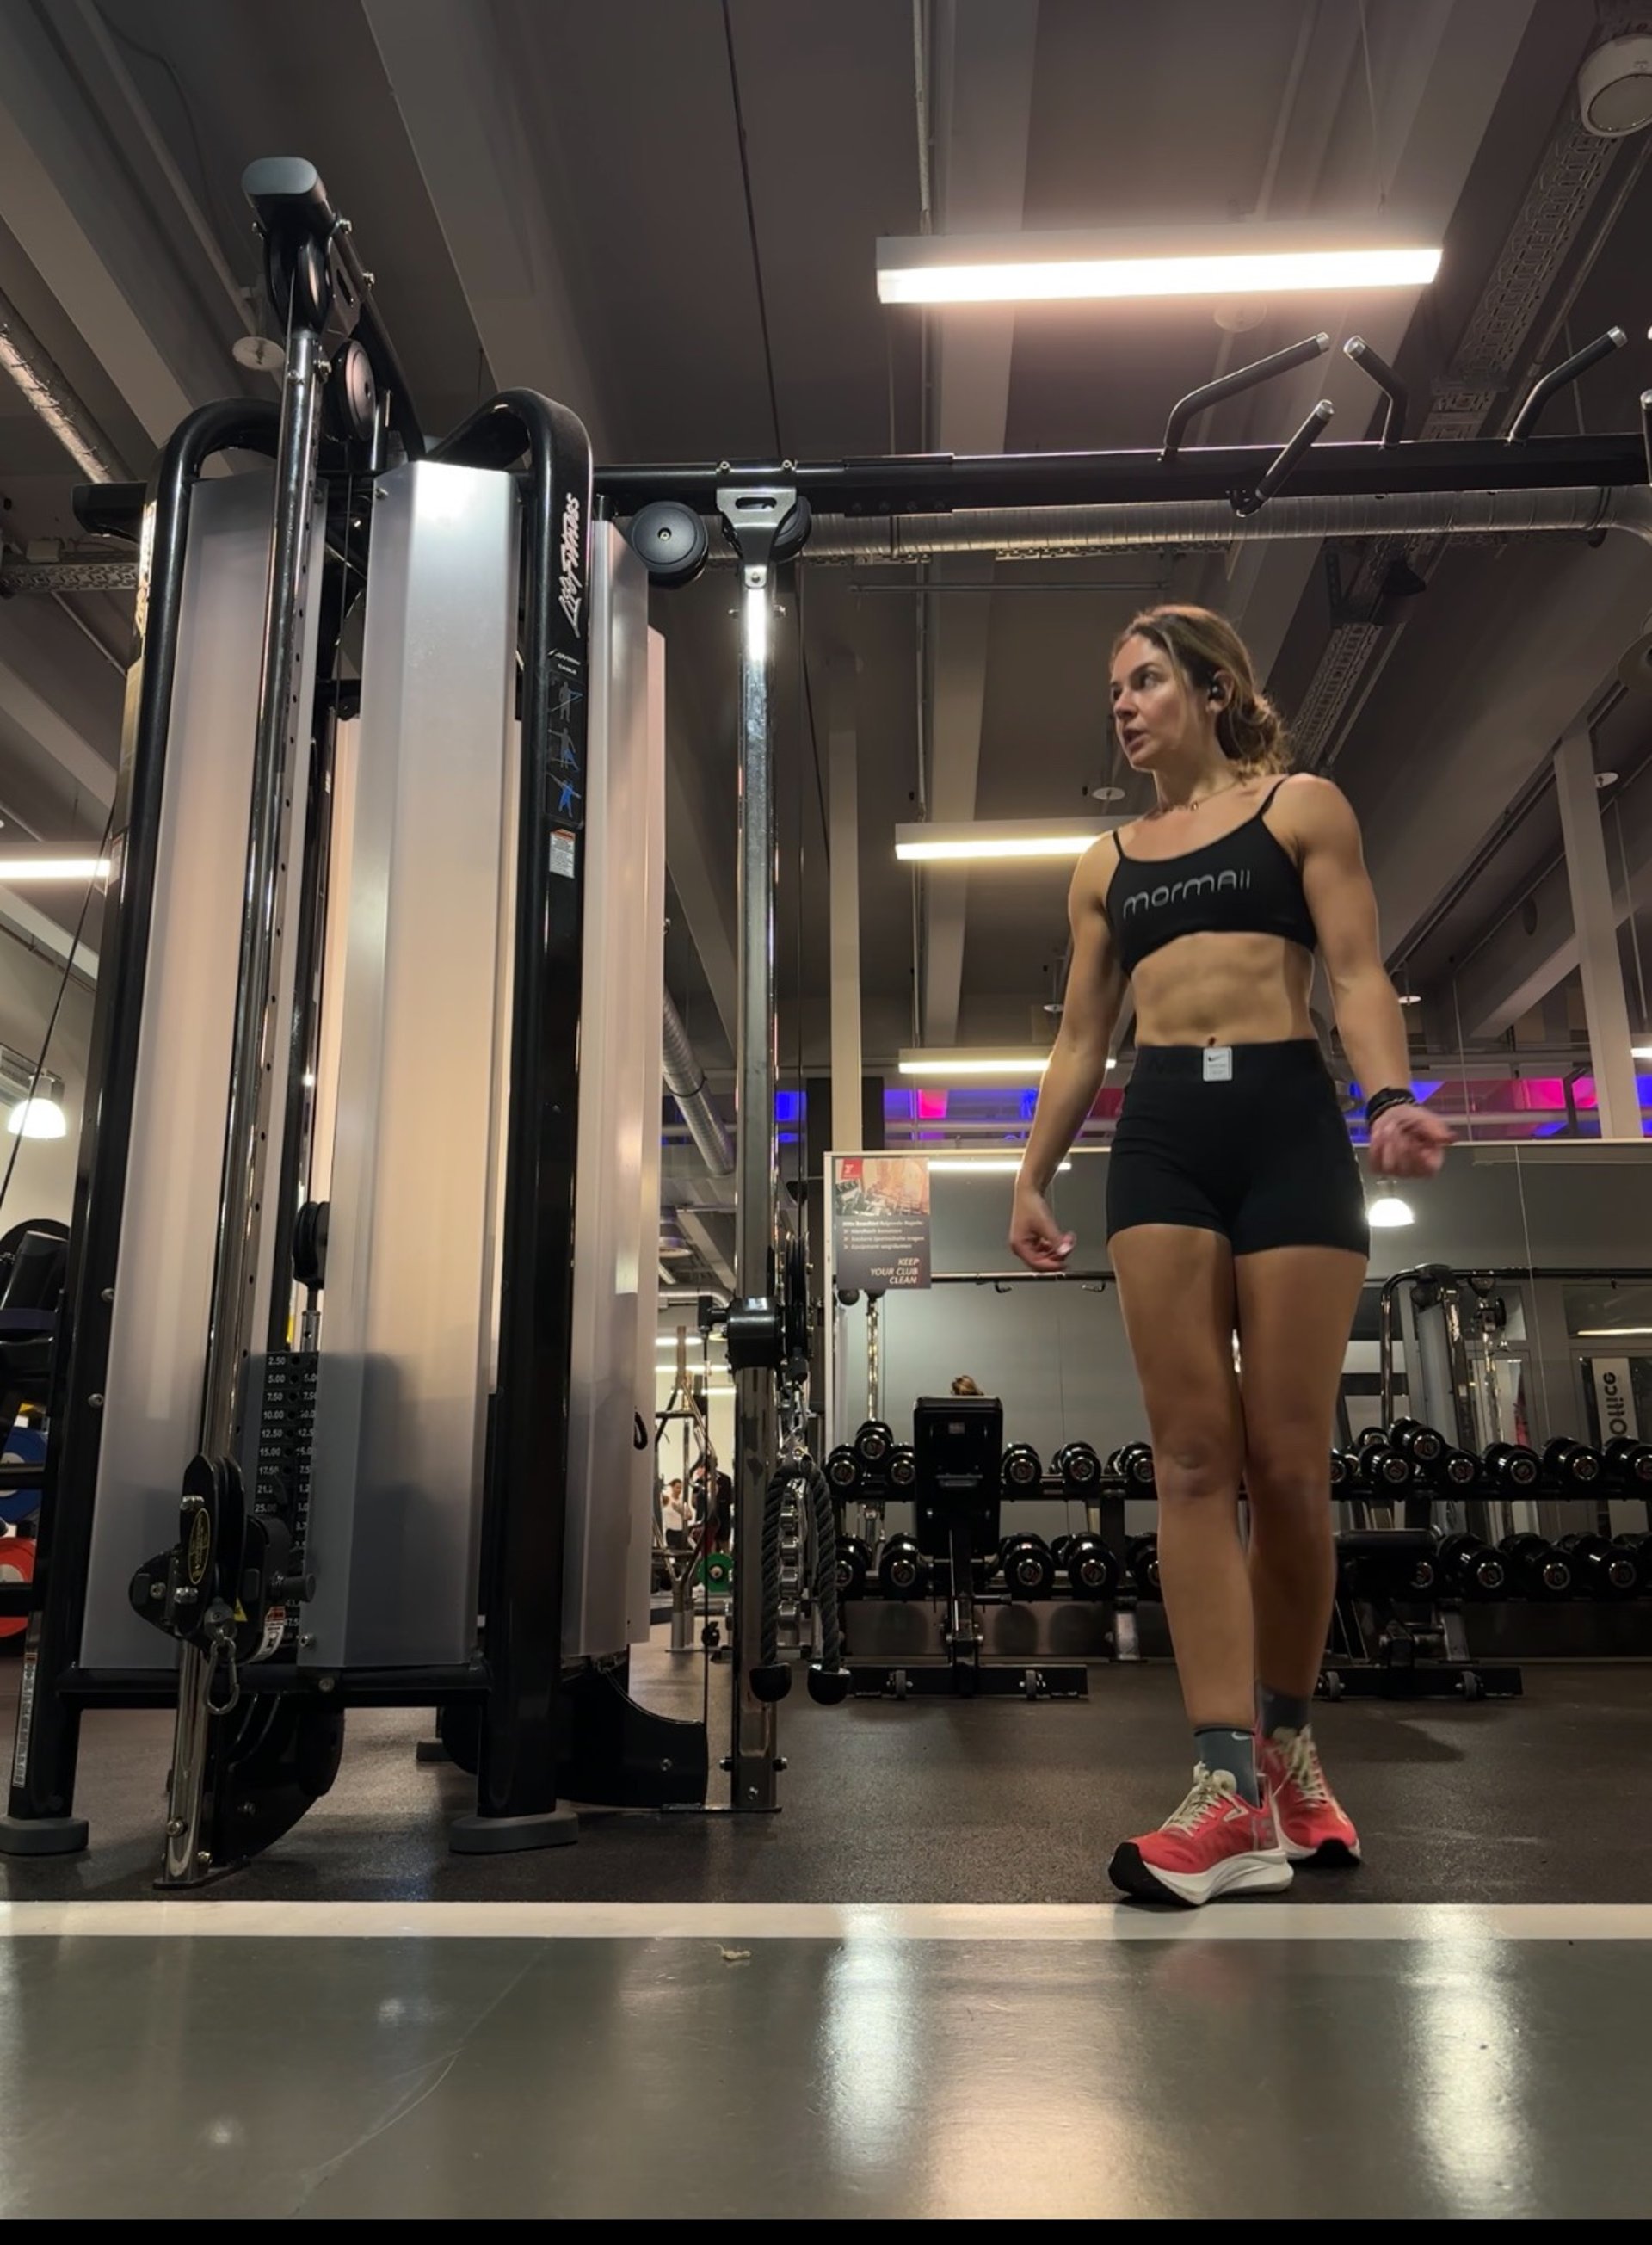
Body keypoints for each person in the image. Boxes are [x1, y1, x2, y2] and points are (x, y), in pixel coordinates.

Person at [1009, 605, 1451, 1908]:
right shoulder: (1106, 862)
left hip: (1289, 1127)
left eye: (1145, 678)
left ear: (1212, 689)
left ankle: (1288, 1743)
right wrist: (1031, 1172)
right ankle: (1222, 1784)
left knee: (1290, 1461)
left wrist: (1387, 1099)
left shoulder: (1303, 808)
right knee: (1193, 1456)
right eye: (1115, 688)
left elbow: (1359, 973)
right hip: (1163, 1139)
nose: (1124, 704)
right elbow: (1085, 1038)